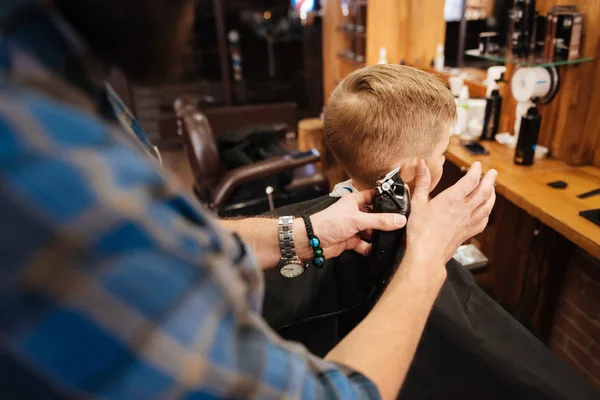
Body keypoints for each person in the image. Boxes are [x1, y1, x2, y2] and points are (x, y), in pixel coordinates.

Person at [0, 1, 498, 399]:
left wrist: (303, 231)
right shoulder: (49, 167)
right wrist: (428, 257)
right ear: (418, 168)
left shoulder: (71, 96)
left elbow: (177, 242)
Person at [263, 65, 599, 399]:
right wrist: (434, 252)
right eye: (442, 153)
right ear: (411, 171)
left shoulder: (306, 222)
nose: (443, 160)